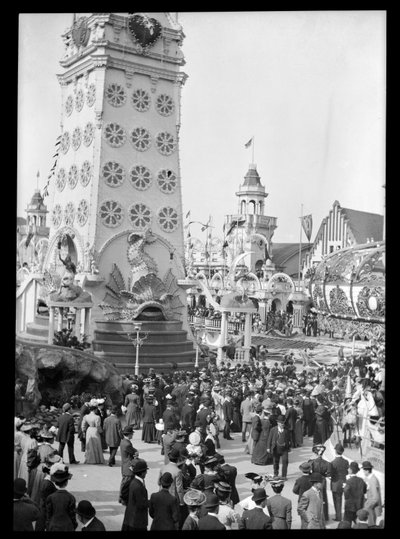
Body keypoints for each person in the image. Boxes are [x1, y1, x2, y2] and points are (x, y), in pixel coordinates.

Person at [45, 463, 78, 531]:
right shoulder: (71, 497)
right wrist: (73, 526)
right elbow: (72, 516)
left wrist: (48, 526)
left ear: (55, 482)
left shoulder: (50, 497)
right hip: (67, 526)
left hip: (53, 526)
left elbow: (48, 515)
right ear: (66, 483)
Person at [121, 458, 149, 531]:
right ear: (142, 473)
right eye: (146, 471)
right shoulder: (138, 486)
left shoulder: (133, 481)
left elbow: (124, 495)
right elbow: (141, 504)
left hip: (130, 517)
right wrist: (152, 501)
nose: (146, 473)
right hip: (137, 520)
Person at [309, 444, 331, 521]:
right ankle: (325, 516)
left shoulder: (311, 462)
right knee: (323, 497)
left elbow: (309, 472)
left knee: (315, 498)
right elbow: (328, 474)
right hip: (322, 480)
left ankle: (316, 515)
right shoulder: (327, 463)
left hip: (314, 480)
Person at [119, 425, 139, 506]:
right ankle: (123, 499)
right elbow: (134, 452)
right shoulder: (127, 444)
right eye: (132, 434)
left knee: (125, 483)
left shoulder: (123, 441)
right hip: (128, 466)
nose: (132, 435)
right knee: (126, 484)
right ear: (129, 434)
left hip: (125, 465)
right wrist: (136, 452)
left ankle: (122, 498)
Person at [266, 415, 291, 479]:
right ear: (278, 423)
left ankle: (284, 476)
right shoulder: (273, 430)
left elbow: (289, 439)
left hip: (284, 449)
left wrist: (289, 444)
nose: (282, 424)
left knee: (285, 461)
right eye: (281, 423)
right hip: (276, 448)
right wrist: (268, 447)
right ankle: (276, 474)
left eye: (283, 422)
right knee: (275, 462)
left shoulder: (286, 430)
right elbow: (269, 439)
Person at [330, 442, 349, 521]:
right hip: (344, 483)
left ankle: (338, 517)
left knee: (336, 501)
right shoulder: (346, 461)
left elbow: (331, 474)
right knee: (343, 500)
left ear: (335, 451)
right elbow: (347, 472)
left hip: (335, 484)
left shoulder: (332, 463)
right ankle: (342, 516)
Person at [361, 460, 383, 527]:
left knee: (371, 525)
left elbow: (375, 498)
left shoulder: (373, 480)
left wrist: (367, 505)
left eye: (364, 470)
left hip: (372, 508)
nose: (363, 472)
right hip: (371, 507)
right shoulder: (368, 478)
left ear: (367, 471)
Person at [293, 462, 313, 529]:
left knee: (303, 521)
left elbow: (294, 490)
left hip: (302, 501)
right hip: (312, 501)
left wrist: (300, 493)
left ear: (302, 470)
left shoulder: (299, 480)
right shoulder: (313, 479)